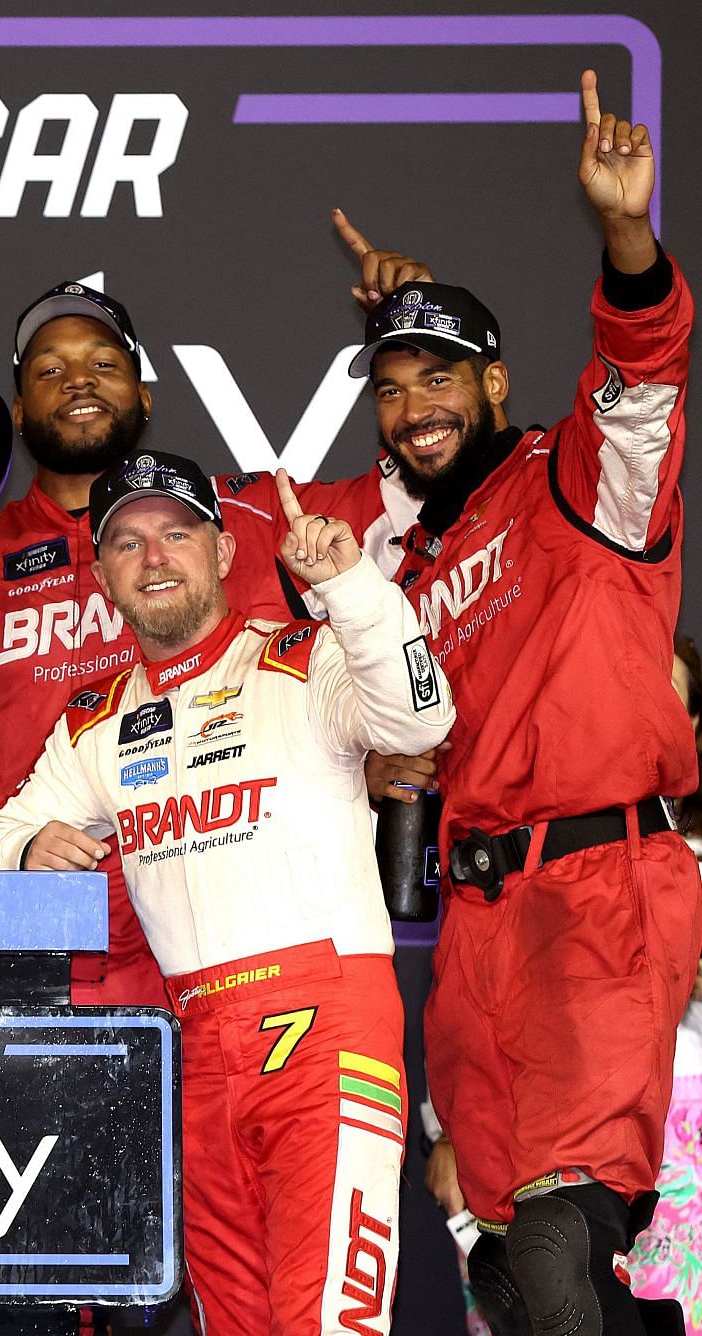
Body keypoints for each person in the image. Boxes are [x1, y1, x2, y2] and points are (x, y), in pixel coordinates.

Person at [326, 73, 702, 1335]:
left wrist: (625, 235)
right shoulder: (402, 558)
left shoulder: (584, 475)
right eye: (392, 386)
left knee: (556, 1238)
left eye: (442, 377)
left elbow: (645, 361)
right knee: (506, 1266)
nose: (416, 406)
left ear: (496, 385)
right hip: (478, 923)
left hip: (604, 883)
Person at [0, 449, 453, 1333]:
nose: (153, 558)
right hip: (190, 1043)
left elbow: (419, 718)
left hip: (323, 1025)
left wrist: (347, 585)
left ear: (225, 552)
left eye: (176, 534)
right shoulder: (96, 721)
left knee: (329, 1321)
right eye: (125, 543)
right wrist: (30, 843)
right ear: (104, 573)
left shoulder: (305, 658)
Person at [0, 280, 289, 1007]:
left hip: (226, 929)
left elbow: (421, 527)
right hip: (40, 938)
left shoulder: (246, 517)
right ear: (17, 413)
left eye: (103, 363)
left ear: (146, 395)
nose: (77, 382)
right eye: (49, 369)